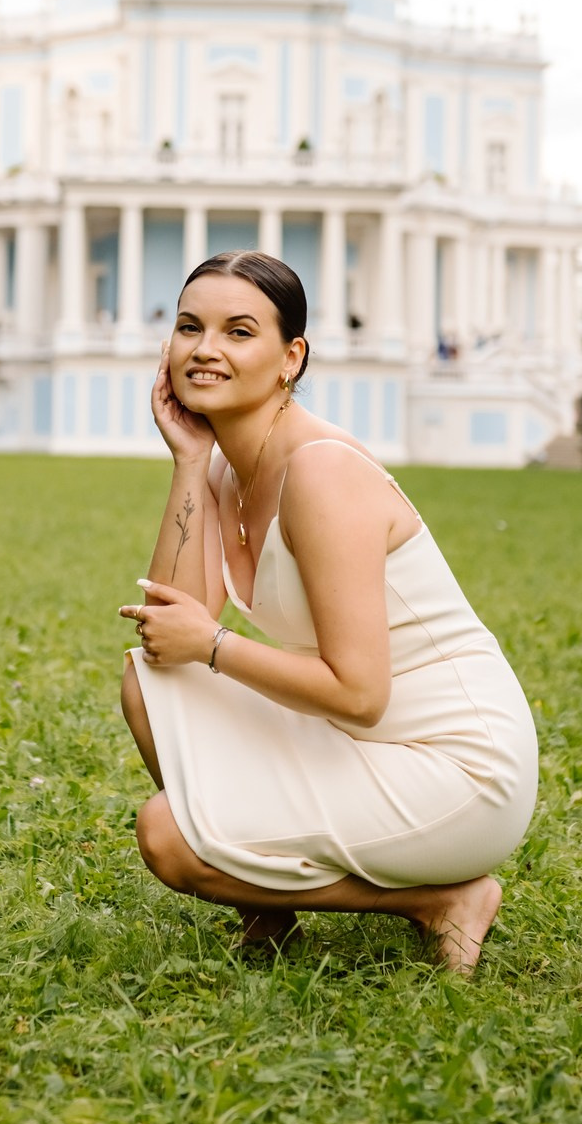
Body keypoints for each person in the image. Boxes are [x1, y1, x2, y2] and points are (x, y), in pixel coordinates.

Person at [119, 252, 538, 972]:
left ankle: (441, 900)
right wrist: (188, 460)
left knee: (168, 836)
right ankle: (268, 910)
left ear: (291, 357)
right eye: (190, 327)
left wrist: (214, 644)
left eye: (238, 331)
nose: (205, 349)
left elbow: (360, 693)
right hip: (362, 740)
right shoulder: (223, 468)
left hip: (459, 769)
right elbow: (169, 631)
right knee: (150, 680)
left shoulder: (322, 470)